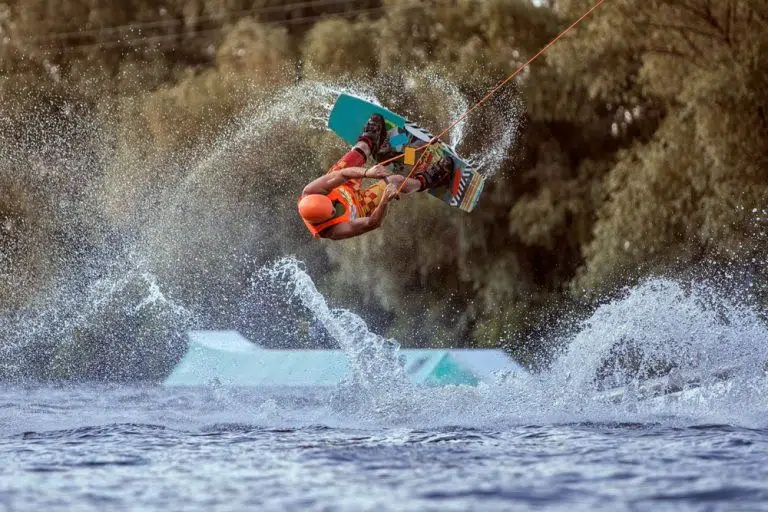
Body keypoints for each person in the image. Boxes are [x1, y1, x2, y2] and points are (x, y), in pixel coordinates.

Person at [298, 114, 454, 240]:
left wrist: (368, 172)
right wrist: (385, 200)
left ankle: (372, 143)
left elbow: (342, 174)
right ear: (326, 218)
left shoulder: (311, 191)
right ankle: (429, 180)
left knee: (360, 150)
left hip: (343, 186)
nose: (335, 204)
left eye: (331, 201)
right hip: (360, 206)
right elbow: (372, 223)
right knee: (395, 181)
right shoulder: (334, 231)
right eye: (333, 209)